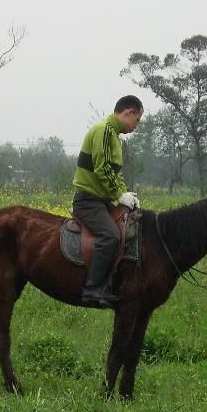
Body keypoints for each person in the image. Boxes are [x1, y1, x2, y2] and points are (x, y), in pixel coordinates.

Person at [72, 95, 143, 308]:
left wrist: (124, 193)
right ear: (128, 113)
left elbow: (114, 173)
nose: (136, 126)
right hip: (89, 201)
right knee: (110, 235)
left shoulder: (113, 135)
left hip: (102, 200)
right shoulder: (104, 131)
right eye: (137, 120)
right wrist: (119, 195)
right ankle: (92, 289)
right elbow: (102, 169)